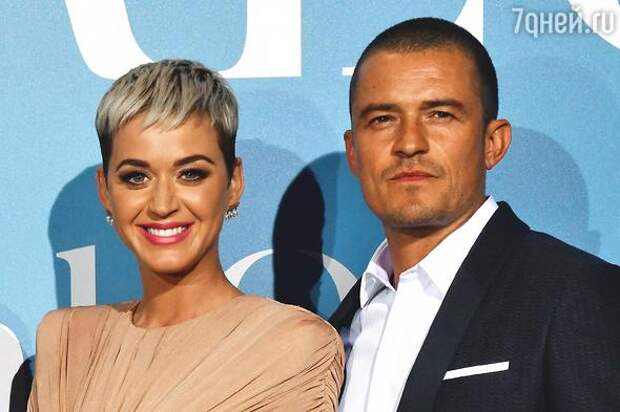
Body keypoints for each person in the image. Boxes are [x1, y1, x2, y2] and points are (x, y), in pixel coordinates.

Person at [330, 17, 620, 412]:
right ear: (354, 152)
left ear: (492, 143)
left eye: (440, 115)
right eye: (382, 119)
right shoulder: (335, 335)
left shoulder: (574, 294)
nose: (409, 143)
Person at [27, 59, 344, 411]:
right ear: (105, 190)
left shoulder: (290, 348)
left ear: (234, 182)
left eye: (191, 174)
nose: (162, 205)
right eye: (136, 177)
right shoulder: (66, 342)